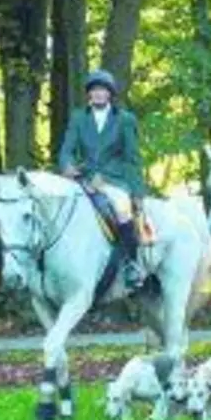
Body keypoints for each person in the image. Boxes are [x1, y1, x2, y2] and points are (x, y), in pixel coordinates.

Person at [56, 69, 149, 290]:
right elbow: (66, 150)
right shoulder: (78, 118)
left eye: (102, 90)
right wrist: (67, 166)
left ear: (109, 94)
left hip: (114, 180)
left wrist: (137, 193)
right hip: (84, 178)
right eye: (94, 90)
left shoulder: (125, 120)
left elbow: (132, 158)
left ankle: (131, 264)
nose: (98, 94)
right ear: (89, 94)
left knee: (121, 208)